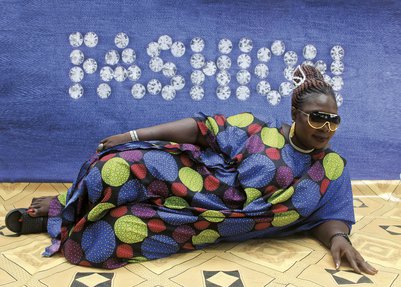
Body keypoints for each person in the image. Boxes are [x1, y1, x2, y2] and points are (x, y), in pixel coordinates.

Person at [6, 65, 378, 274]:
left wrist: (338, 239)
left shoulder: (330, 167)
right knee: (117, 167)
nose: (325, 128)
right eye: (317, 118)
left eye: (333, 121)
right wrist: (130, 135)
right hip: (195, 184)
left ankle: (56, 219)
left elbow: (331, 215)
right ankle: (64, 206)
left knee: (109, 237)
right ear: (295, 114)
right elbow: (200, 129)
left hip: (206, 223)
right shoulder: (255, 128)